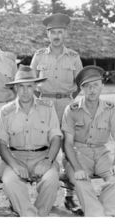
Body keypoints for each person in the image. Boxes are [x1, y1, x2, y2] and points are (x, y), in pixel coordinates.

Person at [30, 13, 83, 213]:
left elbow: (79, 85)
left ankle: (69, 197)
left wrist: (67, 99)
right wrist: (43, 100)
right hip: (44, 105)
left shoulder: (74, 57)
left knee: (69, 150)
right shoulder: (39, 56)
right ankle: (45, 196)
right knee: (43, 150)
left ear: (65, 33)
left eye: (60, 32)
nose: (56, 36)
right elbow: (32, 83)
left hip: (67, 106)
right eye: (53, 32)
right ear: (48, 35)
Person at [0, 65, 62, 216]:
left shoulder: (48, 107)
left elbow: (56, 138)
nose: (25, 91)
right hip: (14, 158)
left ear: (35, 87)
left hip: (42, 156)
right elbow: (1, 144)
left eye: (29, 86)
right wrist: (14, 164)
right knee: (10, 181)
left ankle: (36, 215)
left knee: (51, 180)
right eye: (21, 87)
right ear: (15, 88)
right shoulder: (6, 112)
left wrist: (48, 161)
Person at [62, 65, 115, 216]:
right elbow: (68, 143)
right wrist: (77, 168)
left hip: (101, 153)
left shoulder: (110, 108)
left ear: (102, 86)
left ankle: (105, 215)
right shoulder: (71, 110)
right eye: (87, 86)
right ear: (81, 89)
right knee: (82, 182)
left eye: (95, 85)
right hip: (78, 154)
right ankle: (97, 215)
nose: (92, 90)